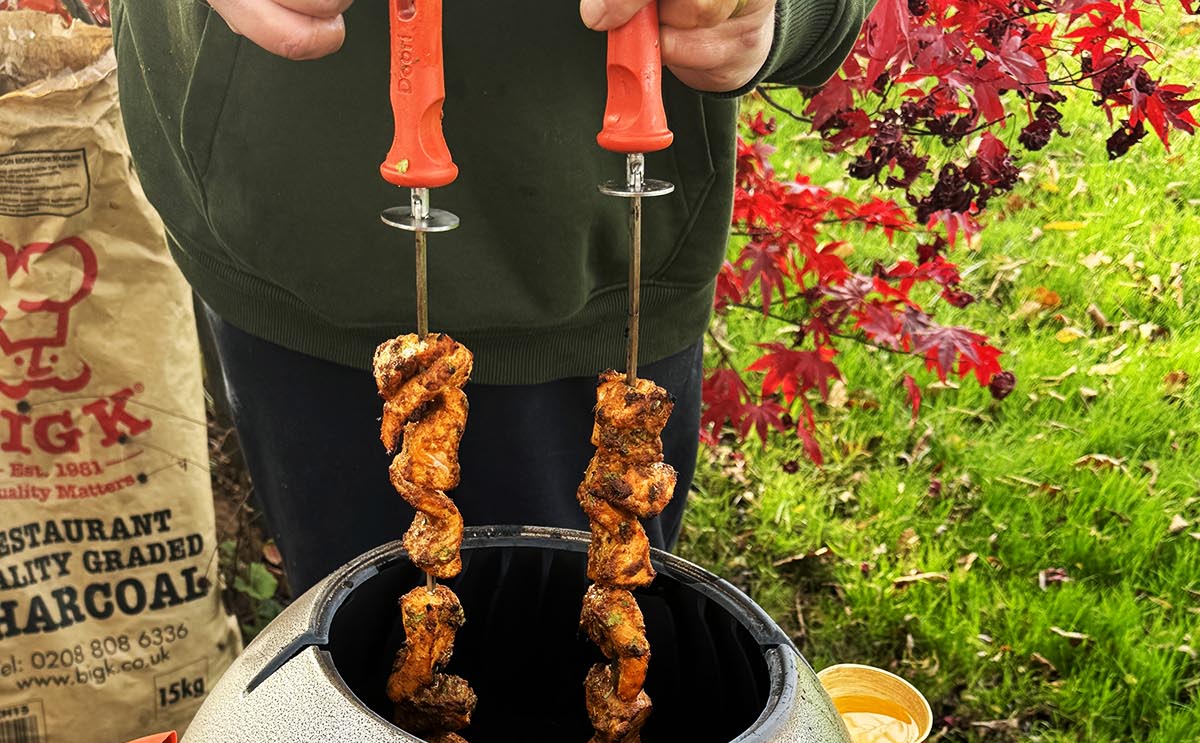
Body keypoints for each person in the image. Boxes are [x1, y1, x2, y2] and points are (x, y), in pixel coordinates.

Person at [110, 0, 871, 595]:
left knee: (585, 643)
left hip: (601, 274)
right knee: (349, 652)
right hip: (279, 247)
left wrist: (785, 13)